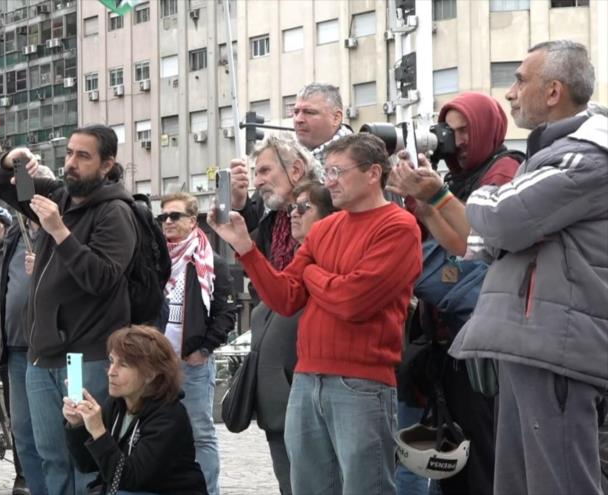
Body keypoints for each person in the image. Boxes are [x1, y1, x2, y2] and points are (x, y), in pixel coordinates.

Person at [209, 133, 422, 495]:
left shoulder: (398, 226)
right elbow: (286, 298)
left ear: (373, 173)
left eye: (339, 171)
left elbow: (353, 301)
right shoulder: (323, 229)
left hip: (361, 382)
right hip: (307, 379)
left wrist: (311, 272)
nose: (330, 180)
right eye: (328, 171)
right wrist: (244, 246)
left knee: (365, 487)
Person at [448, 40, 608, 494]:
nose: (511, 92)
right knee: (519, 484)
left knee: (559, 484)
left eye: (520, 80)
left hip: (558, 345)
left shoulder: (588, 156)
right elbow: (484, 243)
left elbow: (501, 218)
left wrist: (479, 194)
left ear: (553, 91)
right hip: (534, 341)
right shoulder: (553, 155)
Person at [0, 125, 137, 495]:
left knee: (83, 458)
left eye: (83, 156)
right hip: (43, 356)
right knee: (44, 453)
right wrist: (11, 161)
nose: (70, 163)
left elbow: (101, 278)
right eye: (68, 153)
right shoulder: (60, 196)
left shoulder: (116, 212)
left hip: (85, 358)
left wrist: (58, 231)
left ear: (107, 164)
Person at [388, 91, 524, 495]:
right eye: (450, 129)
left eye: (466, 130)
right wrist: (423, 201)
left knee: (481, 460)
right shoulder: (455, 180)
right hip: (449, 343)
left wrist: (437, 198)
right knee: (452, 466)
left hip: (486, 344)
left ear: (488, 128)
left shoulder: (505, 171)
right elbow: (461, 246)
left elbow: (481, 245)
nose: (457, 140)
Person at [224, 133, 317, 494]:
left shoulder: (324, 213)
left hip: (311, 368)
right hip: (278, 376)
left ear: (296, 169)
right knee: (288, 479)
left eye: (264, 171)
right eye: (255, 172)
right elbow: (262, 273)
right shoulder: (274, 221)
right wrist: (239, 203)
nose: (258, 179)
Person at [62, 325, 207, 495]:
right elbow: (87, 465)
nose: (111, 372)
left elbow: (130, 480)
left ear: (151, 374)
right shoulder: (117, 404)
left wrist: (98, 431)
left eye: (123, 365)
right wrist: (78, 426)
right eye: (111, 361)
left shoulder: (169, 416)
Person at [0, 166, 57, 495]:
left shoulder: (61, 232)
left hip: (51, 349)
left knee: (52, 434)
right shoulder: (15, 235)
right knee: (23, 433)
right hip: (14, 348)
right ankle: (31, 484)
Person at [157, 192, 236, 495]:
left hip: (192, 363)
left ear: (192, 221)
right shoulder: (154, 259)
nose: (167, 222)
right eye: (163, 216)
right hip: (156, 364)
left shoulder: (210, 261)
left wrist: (203, 350)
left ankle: (206, 491)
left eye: (174, 216)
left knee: (200, 434)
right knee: (158, 433)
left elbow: (226, 312)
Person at [290, 82, 353, 162]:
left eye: (309, 112)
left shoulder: (358, 157)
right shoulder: (286, 157)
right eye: (296, 112)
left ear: (336, 118)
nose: (298, 119)